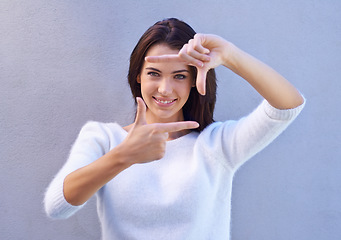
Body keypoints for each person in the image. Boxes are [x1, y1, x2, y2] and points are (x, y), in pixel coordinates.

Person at [44, 18, 305, 240]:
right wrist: (123, 156)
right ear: (138, 75)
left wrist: (229, 55)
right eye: (154, 73)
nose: (165, 89)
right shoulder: (103, 138)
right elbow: (57, 206)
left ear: (193, 80)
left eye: (179, 76)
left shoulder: (217, 144)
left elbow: (287, 106)